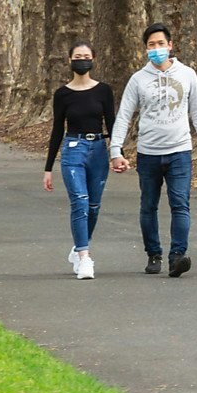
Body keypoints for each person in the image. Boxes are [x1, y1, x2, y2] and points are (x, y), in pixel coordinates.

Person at [109, 23, 197, 277]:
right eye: (151, 45)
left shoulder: (187, 74)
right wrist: (116, 150)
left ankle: (177, 256)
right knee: (148, 205)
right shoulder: (138, 80)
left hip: (180, 151)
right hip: (148, 153)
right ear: (146, 49)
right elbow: (124, 115)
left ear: (170, 45)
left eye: (161, 44)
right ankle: (154, 253)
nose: (157, 49)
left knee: (180, 203)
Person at [43, 43, 115, 280]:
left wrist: (117, 153)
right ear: (69, 60)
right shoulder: (63, 94)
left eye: (86, 56)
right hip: (73, 149)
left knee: (93, 206)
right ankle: (85, 257)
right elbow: (56, 130)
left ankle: (78, 246)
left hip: (98, 150)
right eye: (77, 57)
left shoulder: (103, 91)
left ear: (93, 59)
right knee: (80, 202)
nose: (82, 60)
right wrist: (48, 168)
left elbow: (112, 124)